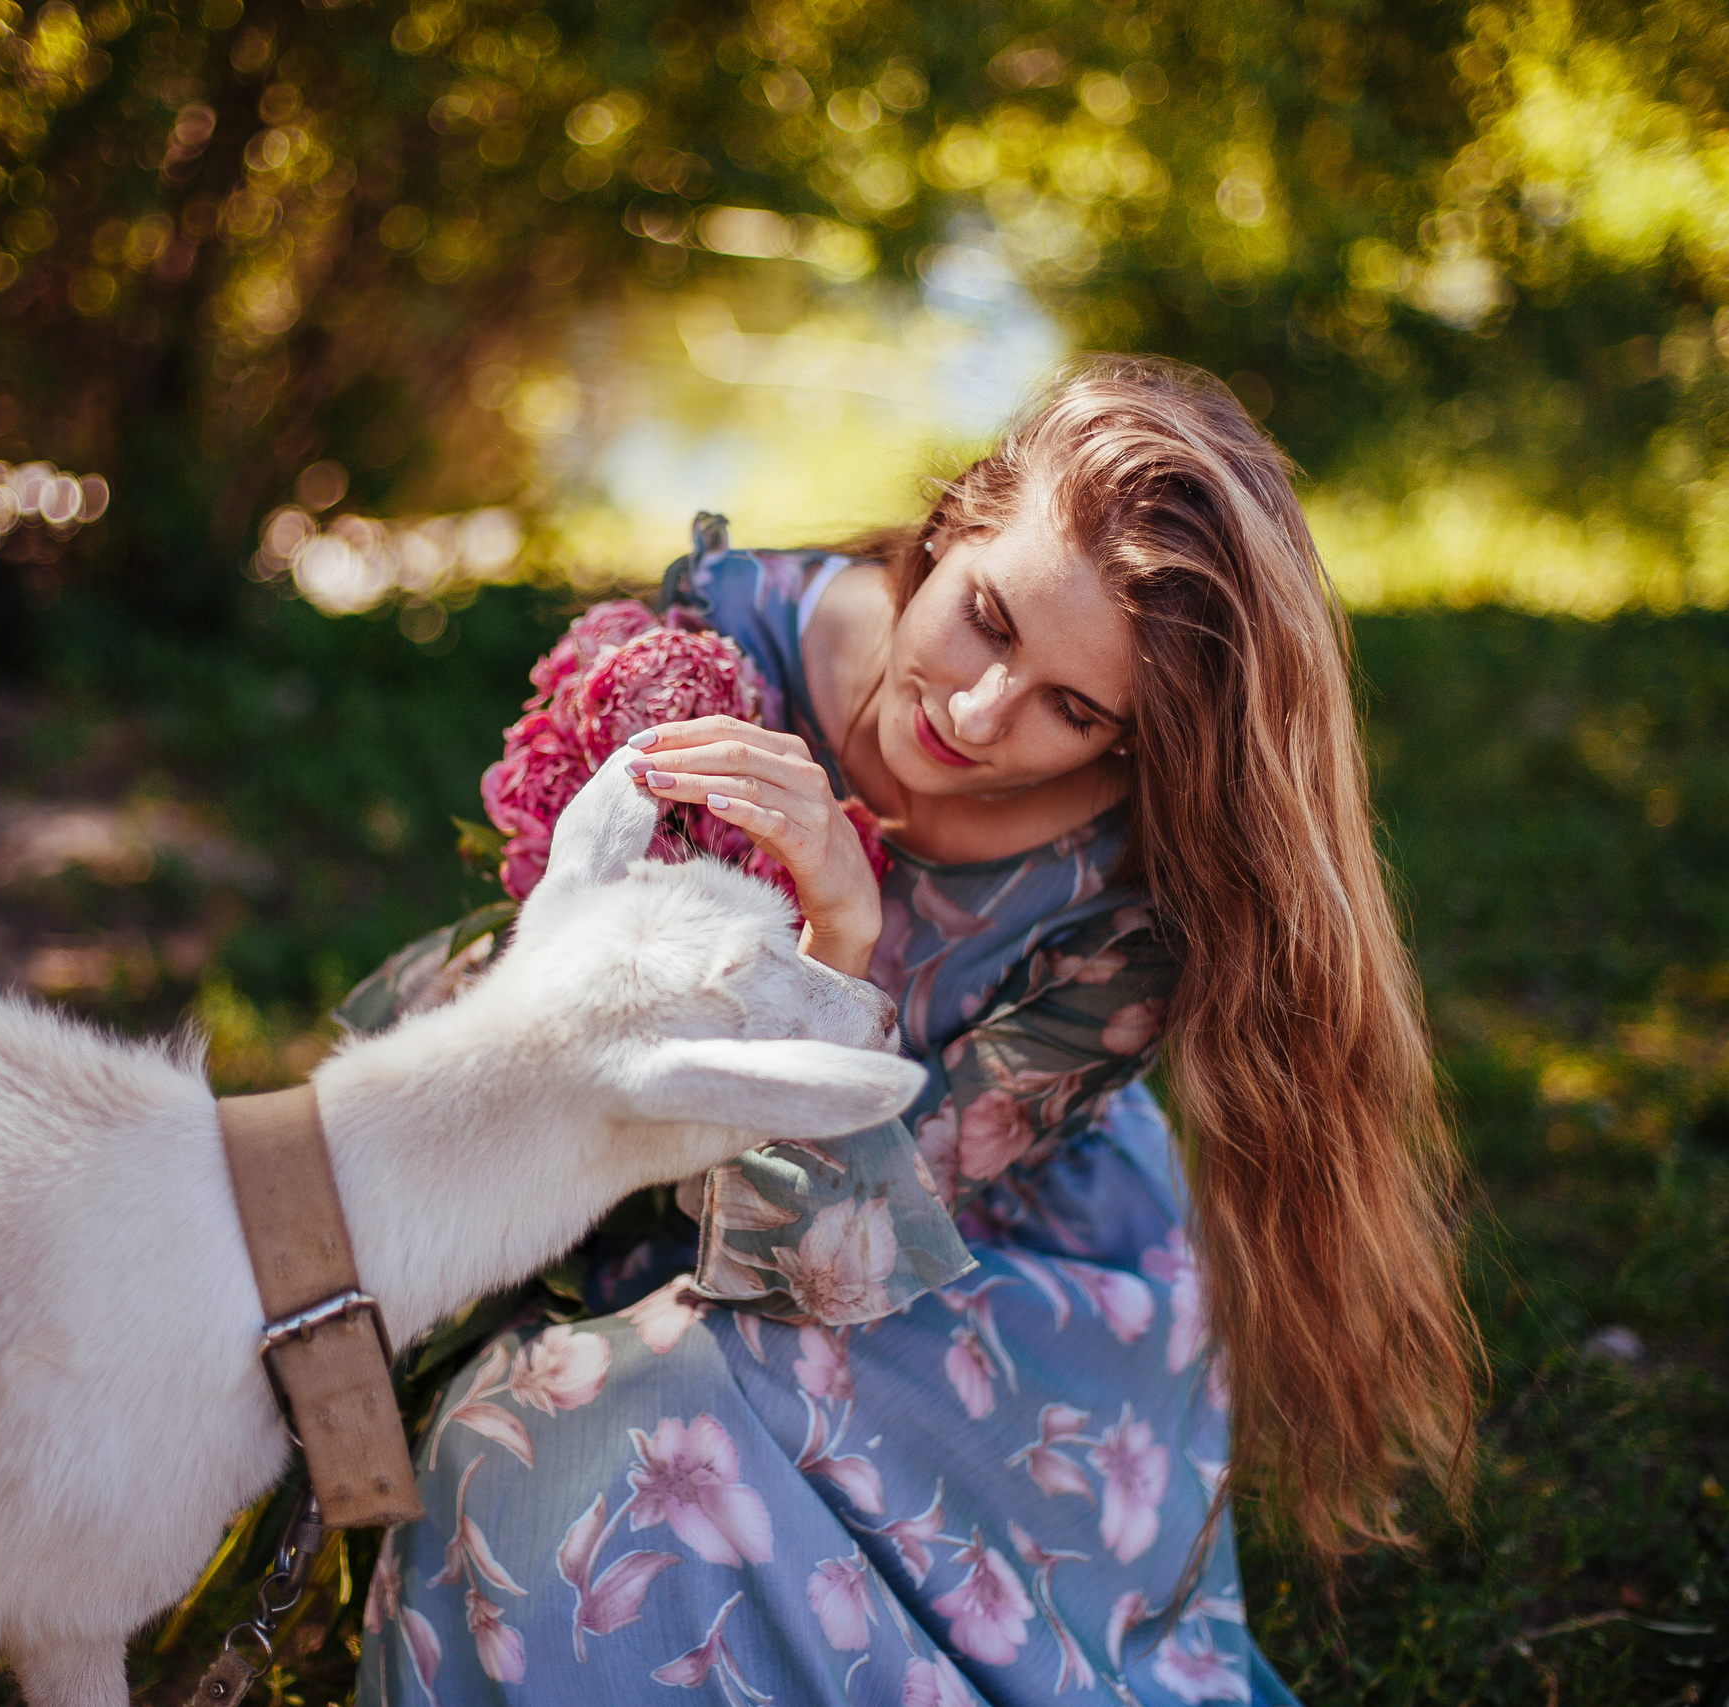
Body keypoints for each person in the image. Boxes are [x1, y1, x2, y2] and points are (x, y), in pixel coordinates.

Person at [353, 356, 1477, 1706]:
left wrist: (843, 940)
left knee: (580, 1438)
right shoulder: (728, 645)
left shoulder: (1132, 901)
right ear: (948, 533)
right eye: (986, 620)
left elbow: (837, 1262)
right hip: (637, 1161)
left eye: (1076, 709)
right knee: (517, 1406)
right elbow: (590, 970)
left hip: (953, 1262)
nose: (977, 713)